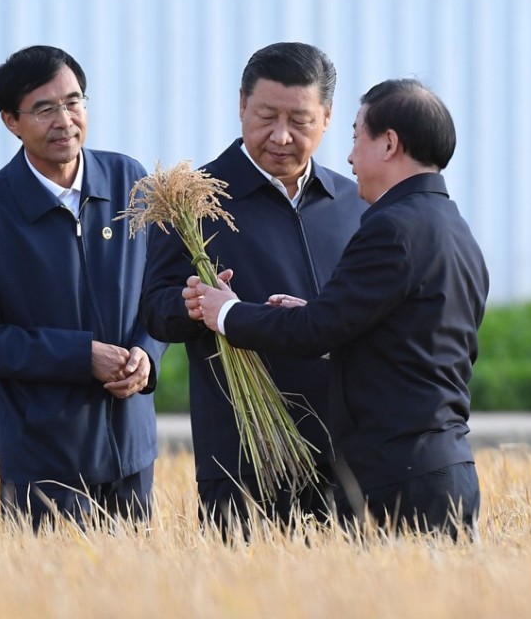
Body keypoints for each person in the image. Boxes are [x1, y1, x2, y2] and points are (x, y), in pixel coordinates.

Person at [187, 78, 489, 539]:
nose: (349, 157)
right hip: (445, 468)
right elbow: (398, 336)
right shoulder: (454, 228)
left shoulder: (390, 227)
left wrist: (227, 312)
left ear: (389, 143)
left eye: (355, 136)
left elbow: (318, 330)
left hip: (397, 477)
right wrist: (316, 312)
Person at [140, 42, 366, 538]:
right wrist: (193, 305)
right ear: (241, 104)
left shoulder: (356, 202)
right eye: (265, 115)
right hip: (243, 458)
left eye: (300, 121)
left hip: (350, 456)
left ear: (327, 118)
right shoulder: (190, 200)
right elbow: (154, 311)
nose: (281, 136)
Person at [0, 45, 167, 530]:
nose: (65, 119)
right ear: (10, 122)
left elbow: (161, 287)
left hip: (133, 450)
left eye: (74, 101)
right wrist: (81, 356)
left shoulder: (131, 181)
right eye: (44, 109)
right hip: (45, 462)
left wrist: (147, 355)